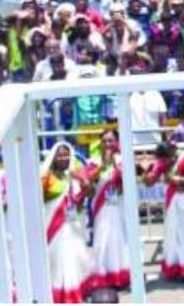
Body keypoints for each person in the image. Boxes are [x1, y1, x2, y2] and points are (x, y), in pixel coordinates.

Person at [141, 140, 184, 281]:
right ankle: (177, 268)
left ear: (174, 150)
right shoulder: (162, 163)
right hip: (173, 204)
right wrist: (145, 170)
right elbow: (149, 182)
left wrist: (174, 180)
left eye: (169, 155)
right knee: (174, 237)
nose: (167, 160)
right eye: (164, 157)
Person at [41, 141, 94, 303]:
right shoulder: (46, 177)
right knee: (58, 262)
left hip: (71, 226)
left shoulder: (71, 177)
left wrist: (85, 185)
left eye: (66, 155)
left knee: (72, 260)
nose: (63, 158)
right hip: (54, 226)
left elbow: (80, 200)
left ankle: (72, 294)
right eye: (60, 155)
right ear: (53, 157)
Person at [84, 129, 131, 293]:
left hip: (119, 205)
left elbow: (128, 181)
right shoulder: (94, 161)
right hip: (101, 208)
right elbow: (88, 180)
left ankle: (121, 275)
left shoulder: (123, 159)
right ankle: (103, 276)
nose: (107, 144)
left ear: (116, 142)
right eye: (104, 141)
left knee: (120, 239)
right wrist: (102, 166)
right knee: (103, 239)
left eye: (110, 140)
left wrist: (116, 166)